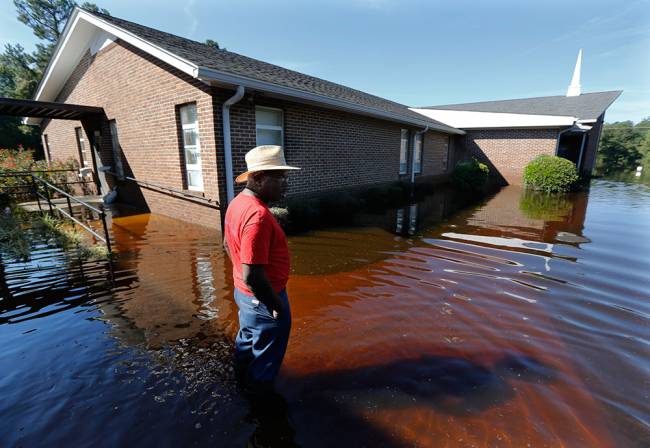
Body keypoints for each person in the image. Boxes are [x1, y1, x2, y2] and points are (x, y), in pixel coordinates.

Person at [223, 145, 300, 394]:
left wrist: (244, 282)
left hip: (245, 296)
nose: (285, 184)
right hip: (264, 299)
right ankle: (262, 407)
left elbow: (227, 245)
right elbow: (253, 275)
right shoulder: (258, 216)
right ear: (257, 178)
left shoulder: (236, 203)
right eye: (279, 178)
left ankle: (240, 384)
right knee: (266, 360)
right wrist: (276, 305)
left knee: (247, 341)